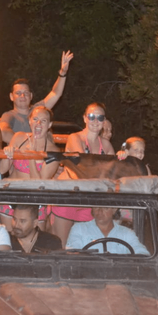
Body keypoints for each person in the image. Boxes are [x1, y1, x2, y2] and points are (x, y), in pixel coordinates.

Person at [49, 102, 115, 246]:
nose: (95, 121)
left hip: (89, 200)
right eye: (91, 116)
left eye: (100, 117)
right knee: (60, 245)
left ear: (104, 120)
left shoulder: (106, 145)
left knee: (86, 245)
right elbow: (83, 166)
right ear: (84, 118)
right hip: (67, 197)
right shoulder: (75, 138)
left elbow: (113, 171)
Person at [0, 106, 60, 230]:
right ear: (30, 121)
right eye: (35, 119)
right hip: (11, 196)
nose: (38, 123)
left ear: (49, 125)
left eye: (43, 121)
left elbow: (38, 184)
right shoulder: (18, 138)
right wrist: (7, 154)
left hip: (36, 201)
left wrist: (31, 156)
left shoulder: (53, 152)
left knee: (36, 240)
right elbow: (2, 170)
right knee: (9, 238)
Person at [0, 50, 74, 143]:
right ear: (11, 96)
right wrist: (26, 145)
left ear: (31, 96)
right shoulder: (9, 115)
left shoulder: (38, 109)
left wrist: (62, 73)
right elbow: (3, 131)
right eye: (18, 93)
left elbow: (55, 93)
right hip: (20, 151)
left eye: (26, 93)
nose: (22, 96)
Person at [66, 207, 149, 255]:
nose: (100, 211)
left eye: (105, 208)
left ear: (114, 210)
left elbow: (141, 253)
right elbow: (73, 252)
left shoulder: (127, 233)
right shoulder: (79, 229)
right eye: (96, 207)